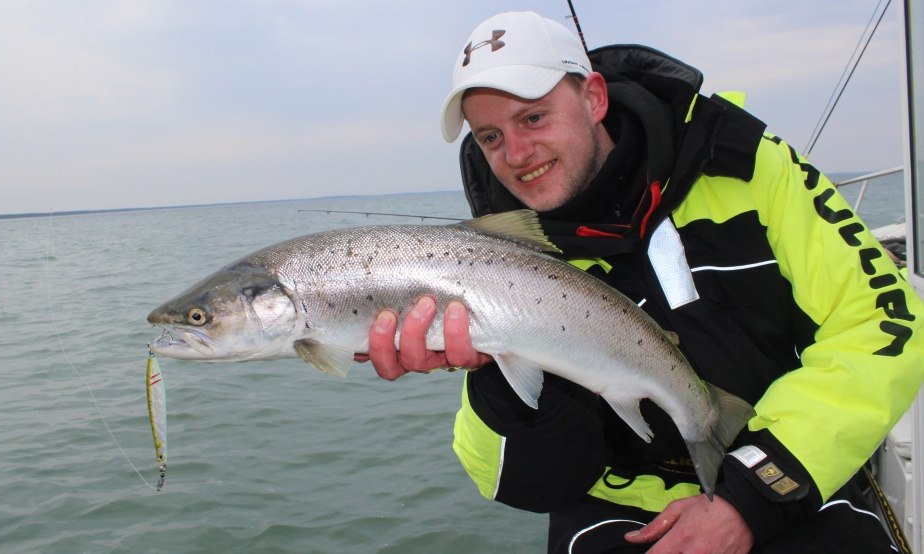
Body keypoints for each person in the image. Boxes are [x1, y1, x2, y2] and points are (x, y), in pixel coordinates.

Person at [360, 11, 924, 553]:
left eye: (533, 117)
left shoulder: (751, 167)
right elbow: (518, 484)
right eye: (489, 137)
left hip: (791, 474)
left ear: (594, 97)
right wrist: (492, 379)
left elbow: (884, 323)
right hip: (617, 516)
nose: (517, 154)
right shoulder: (494, 259)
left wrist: (753, 493)